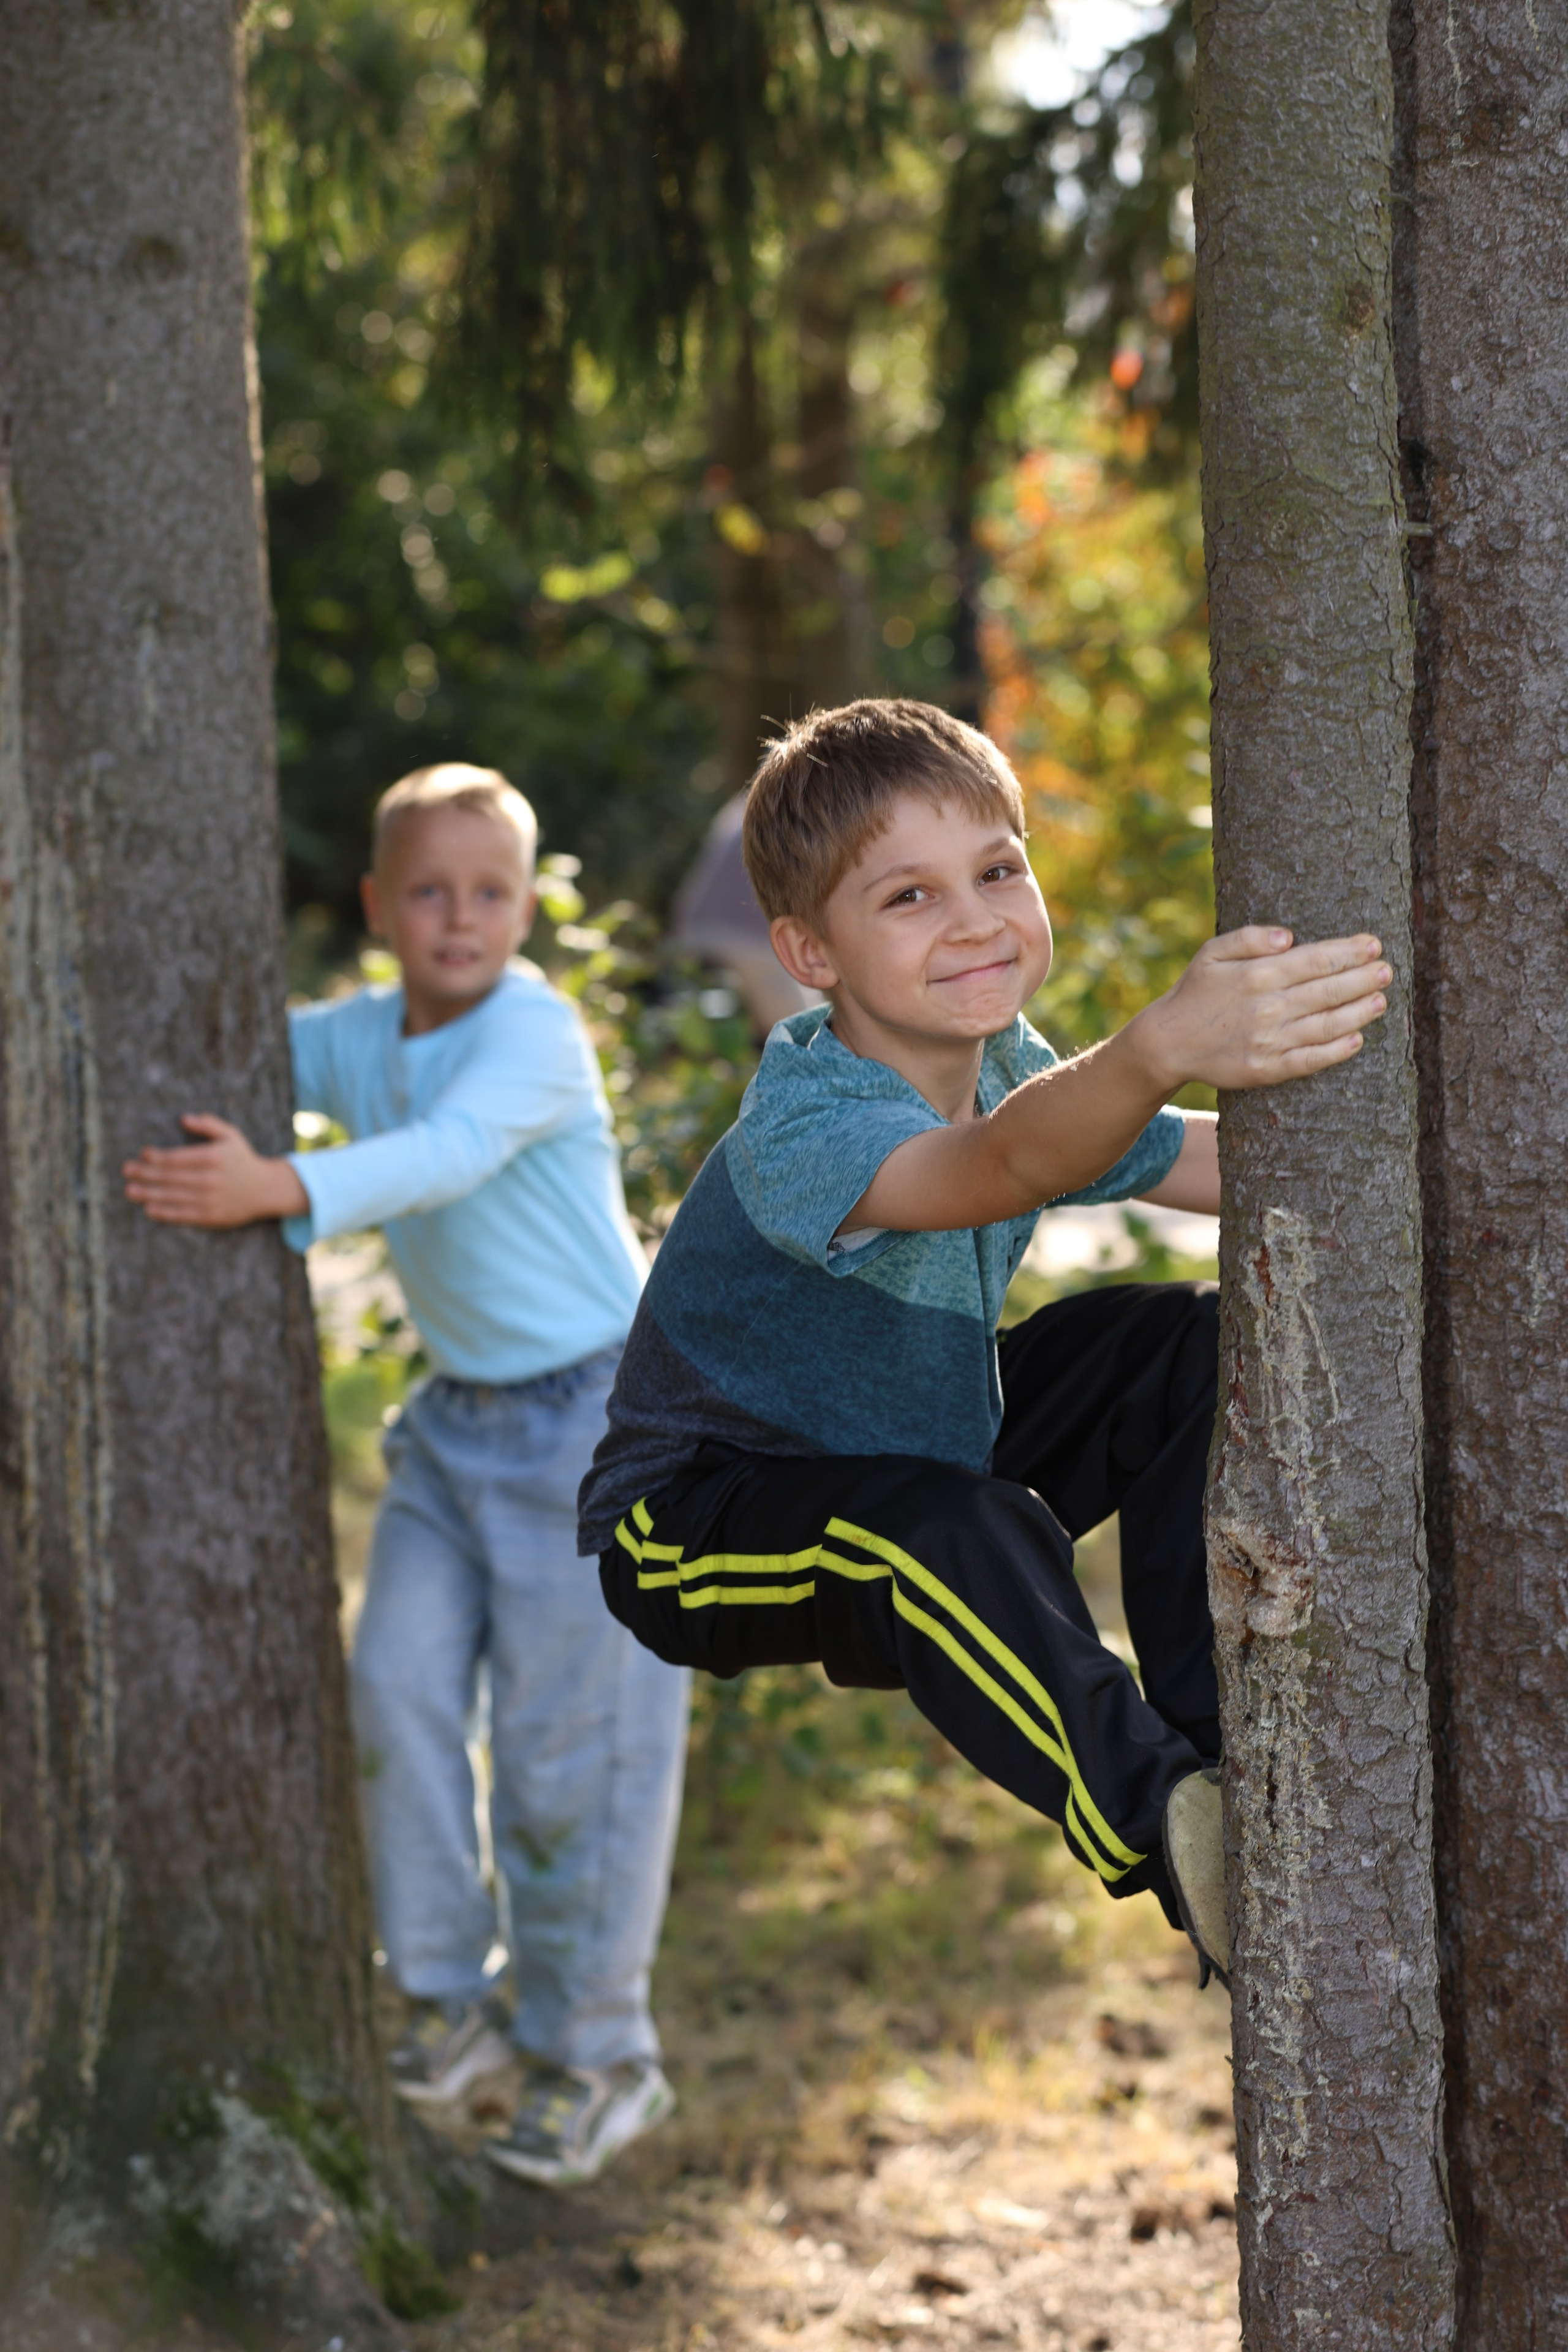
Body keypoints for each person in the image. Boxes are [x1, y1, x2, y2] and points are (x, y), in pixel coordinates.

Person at [579, 701, 1391, 1985]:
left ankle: (1225, 1753)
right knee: (943, 1533)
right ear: (808, 952)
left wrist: (1442, 1163)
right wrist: (1158, 1043)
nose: (971, 919)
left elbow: (1194, 1156)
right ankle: (1166, 1822)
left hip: (923, 1439)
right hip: (698, 1522)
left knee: (1174, 1344)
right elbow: (1008, 1162)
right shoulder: (805, 1121)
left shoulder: (1007, 1065)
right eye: (906, 897)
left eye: (997, 871)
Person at [123, 762, 691, 2186]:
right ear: (377, 907)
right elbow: (220, 1044)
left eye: (488, 892)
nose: (458, 917)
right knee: (392, 1691)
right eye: (427, 891)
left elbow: (442, 1160)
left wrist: (287, 1189)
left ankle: (596, 2056)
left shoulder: (534, 1035)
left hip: (596, 1430)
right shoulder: (361, 1036)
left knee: (573, 1760)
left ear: (523, 908)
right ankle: (445, 2003)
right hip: (452, 1435)